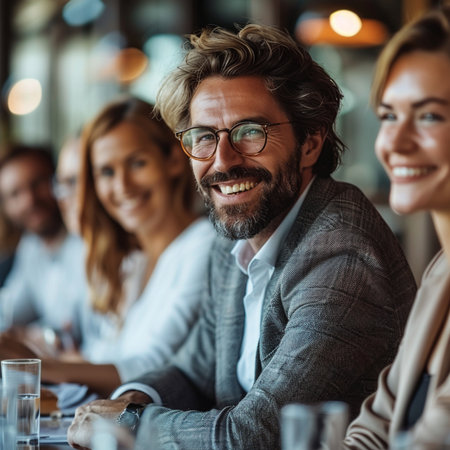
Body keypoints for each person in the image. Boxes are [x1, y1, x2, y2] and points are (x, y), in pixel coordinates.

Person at [68, 24, 416, 449]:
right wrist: (131, 400)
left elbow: (258, 435)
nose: (223, 161)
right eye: (203, 137)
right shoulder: (232, 239)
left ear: (310, 143)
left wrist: (132, 423)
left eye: (250, 131)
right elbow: (188, 371)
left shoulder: (341, 254)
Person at [0, 97, 216, 397]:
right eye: (107, 172)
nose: (123, 186)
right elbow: (106, 354)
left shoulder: (203, 244)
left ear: (174, 160)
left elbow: (156, 367)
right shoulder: (132, 258)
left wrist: (34, 363)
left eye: (137, 163)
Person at [343, 7, 450, 448]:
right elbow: (372, 428)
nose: (396, 142)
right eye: (388, 115)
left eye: (429, 116)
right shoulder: (440, 274)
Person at [0, 144, 86, 345]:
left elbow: (73, 329)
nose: (30, 200)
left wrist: (36, 335)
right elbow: (11, 310)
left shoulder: (85, 239)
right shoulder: (31, 246)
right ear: (6, 207)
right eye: (15, 194)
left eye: (37, 183)